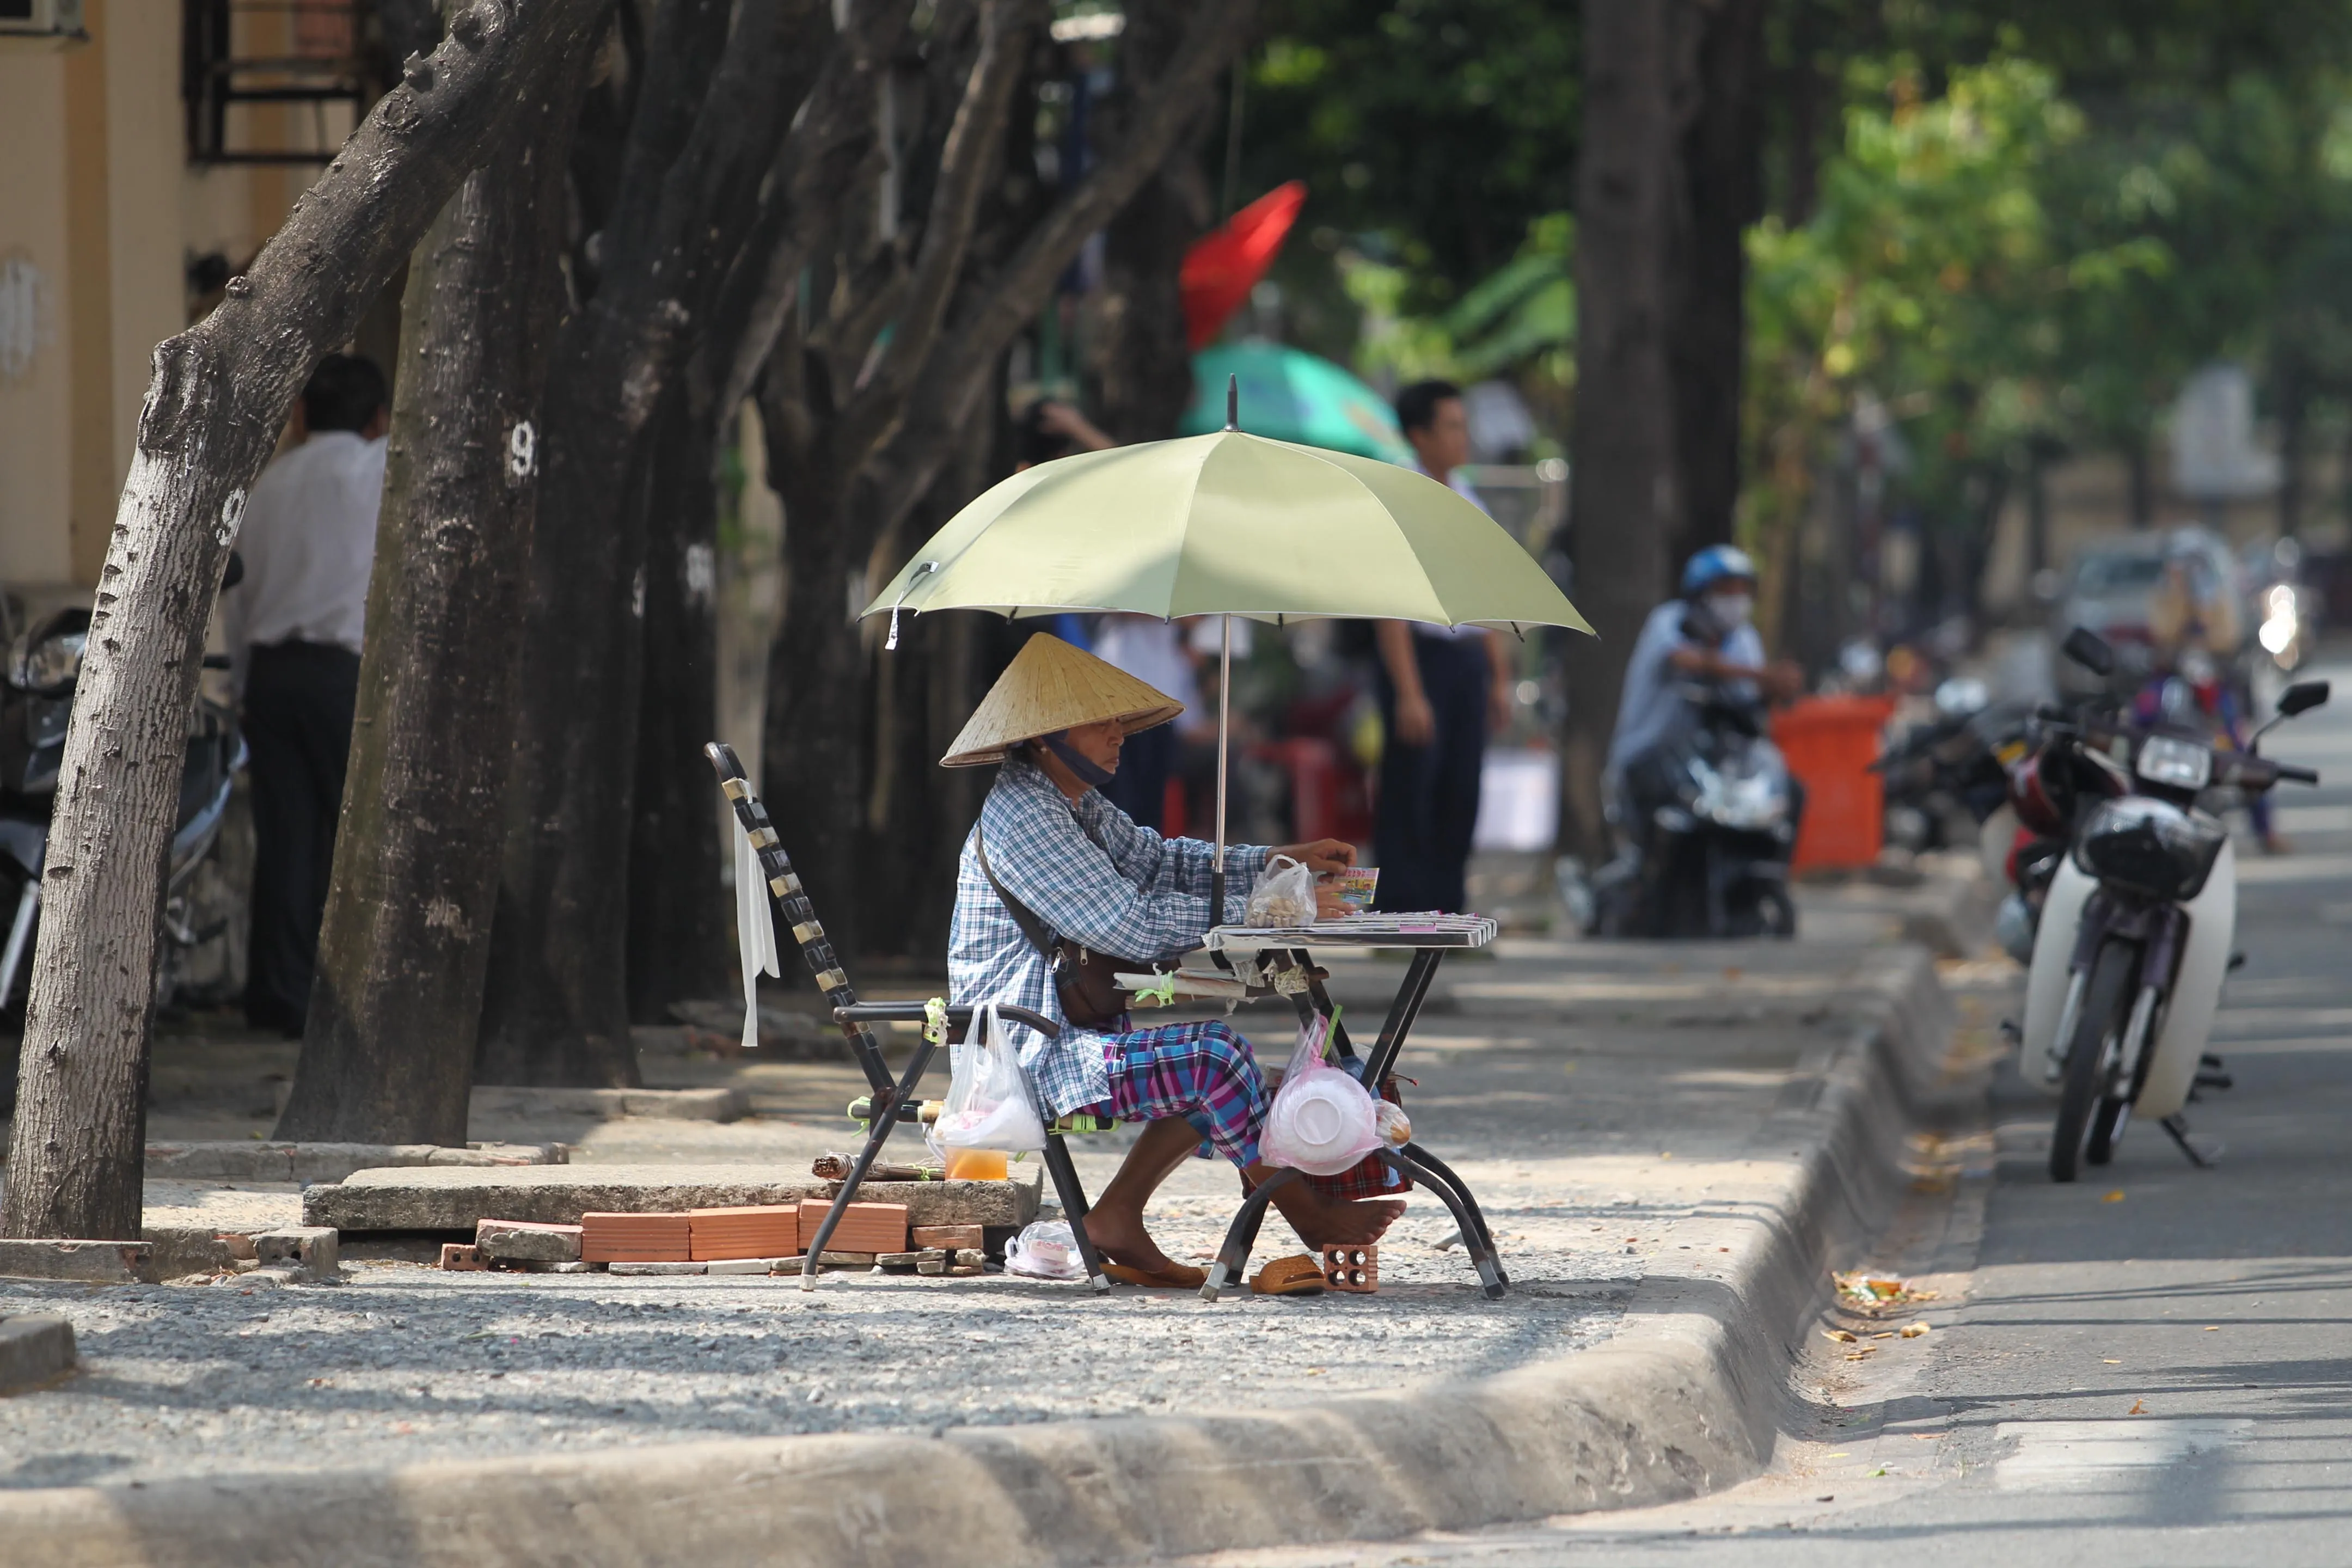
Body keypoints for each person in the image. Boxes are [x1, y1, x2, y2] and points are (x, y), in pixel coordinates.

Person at [945, 633, 1402, 1287]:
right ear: (1044, 736)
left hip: (1072, 1033)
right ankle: (1309, 1216)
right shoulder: (1025, 817)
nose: (1118, 731)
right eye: (1099, 719)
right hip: (1029, 1051)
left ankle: (1114, 1220)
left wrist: (1279, 862)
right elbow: (1129, 923)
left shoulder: (1071, 802)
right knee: (1216, 1058)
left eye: (1118, 716)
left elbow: (1162, 862)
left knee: (1237, 1072)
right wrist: (1273, 908)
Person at [219, 353, 388, 1036]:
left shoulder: (267, 487)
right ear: (379, 418)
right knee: (364, 835)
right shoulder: (379, 475)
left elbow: (239, 597)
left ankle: (279, 994)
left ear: (299, 416)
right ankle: (363, 993)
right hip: (345, 676)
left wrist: (240, 684)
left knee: (286, 839)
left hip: (273, 675)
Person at [1371, 379, 1515, 913]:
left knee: (1462, 784)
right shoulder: (1405, 501)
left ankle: (1448, 906)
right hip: (1419, 657)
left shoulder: (1469, 497)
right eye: (1451, 426)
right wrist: (1409, 692)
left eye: (1463, 425)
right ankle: (1402, 910)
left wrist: (1497, 677)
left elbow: (1486, 599)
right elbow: (1390, 605)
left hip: (1466, 659)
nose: (1463, 438)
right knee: (1414, 784)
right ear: (1419, 435)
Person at [1605, 544, 1804, 825]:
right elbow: (1685, 659)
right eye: (1726, 590)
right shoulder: (1669, 621)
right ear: (1701, 593)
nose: (1736, 599)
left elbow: (1747, 704)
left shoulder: (1745, 639)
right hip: (1652, 755)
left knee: (1789, 790)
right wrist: (1761, 675)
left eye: (1742, 590)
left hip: (1714, 765)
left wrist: (1774, 689)